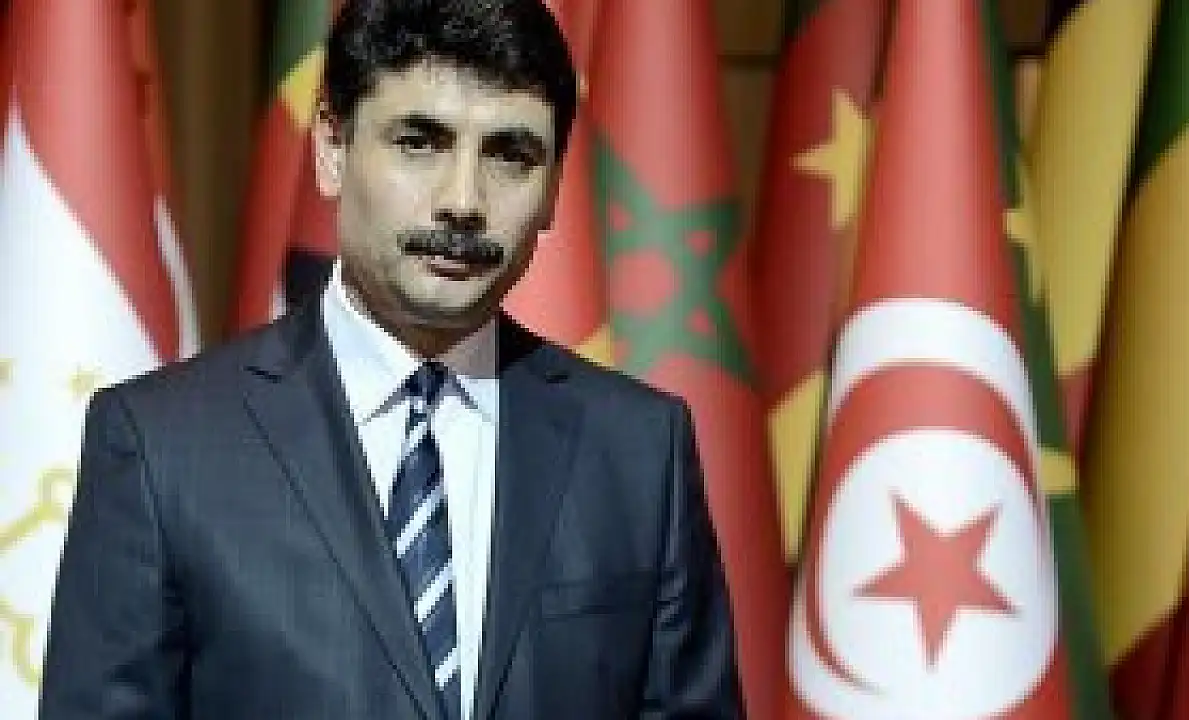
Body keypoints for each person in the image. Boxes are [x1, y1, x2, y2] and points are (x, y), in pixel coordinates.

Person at [37, 1, 743, 717]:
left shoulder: (638, 451)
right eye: (420, 143)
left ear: (555, 185)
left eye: (509, 155)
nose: (463, 201)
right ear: (331, 148)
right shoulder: (163, 447)